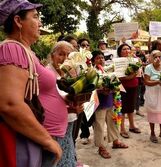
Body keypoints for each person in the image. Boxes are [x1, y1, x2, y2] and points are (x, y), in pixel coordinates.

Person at [0, 0, 62, 166]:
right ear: (18, 21)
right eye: (35, 17)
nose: (40, 22)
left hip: (29, 136)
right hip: (20, 139)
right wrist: (47, 140)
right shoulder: (12, 49)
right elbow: (10, 104)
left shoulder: (24, 50)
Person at [46, 41, 86, 167]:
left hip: (70, 120)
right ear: (52, 56)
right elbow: (48, 104)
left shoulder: (73, 72)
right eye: (60, 54)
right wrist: (71, 109)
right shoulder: (47, 74)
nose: (64, 58)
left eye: (68, 55)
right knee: (57, 155)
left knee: (69, 146)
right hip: (54, 126)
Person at [91, 50, 128, 159]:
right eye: (98, 58)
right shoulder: (91, 72)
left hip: (110, 101)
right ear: (93, 60)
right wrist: (100, 90)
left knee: (113, 122)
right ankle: (101, 147)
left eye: (102, 58)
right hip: (99, 104)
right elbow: (90, 89)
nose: (101, 60)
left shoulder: (108, 70)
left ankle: (115, 142)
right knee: (99, 126)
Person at [144, 50, 161, 143]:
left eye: (159, 56)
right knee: (152, 112)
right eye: (155, 57)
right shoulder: (148, 67)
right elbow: (146, 81)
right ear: (151, 58)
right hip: (152, 93)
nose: (158, 58)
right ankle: (152, 133)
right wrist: (158, 82)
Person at [117, 43, 141, 138]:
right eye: (124, 49)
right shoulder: (117, 62)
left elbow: (138, 73)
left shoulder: (134, 60)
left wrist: (138, 63)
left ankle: (132, 125)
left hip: (134, 85)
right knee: (122, 108)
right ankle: (122, 129)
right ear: (120, 52)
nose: (126, 50)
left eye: (128, 49)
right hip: (122, 86)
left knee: (131, 106)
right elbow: (117, 76)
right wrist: (128, 77)